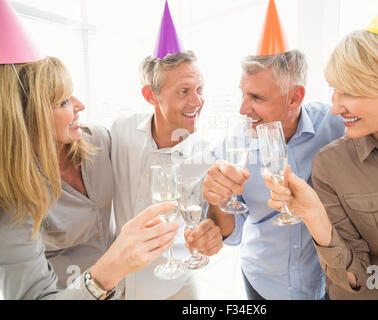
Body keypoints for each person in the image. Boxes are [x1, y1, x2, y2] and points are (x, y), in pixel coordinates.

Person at [264, 29, 378, 299]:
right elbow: (357, 280)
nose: (336, 107)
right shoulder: (332, 165)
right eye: (335, 91)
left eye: (350, 92)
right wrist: (314, 215)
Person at [0, 57, 180, 300]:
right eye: (64, 102)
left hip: (128, 289)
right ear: (30, 118)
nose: (80, 105)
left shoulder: (96, 139)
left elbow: (147, 152)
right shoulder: (13, 198)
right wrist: (107, 272)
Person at [202, 50, 345, 300]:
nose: (243, 109)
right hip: (264, 281)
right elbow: (229, 231)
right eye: (243, 94)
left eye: (256, 97)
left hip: (325, 281)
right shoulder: (231, 146)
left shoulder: (335, 126)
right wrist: (218, 200)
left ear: (295, 97)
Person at [111, 50, 224, 300]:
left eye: (200, 89)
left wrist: (210, 235)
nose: (197, 102)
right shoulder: (121, 132)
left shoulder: (204, 154)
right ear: (150, 95)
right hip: (117, 286)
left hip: (173, 287)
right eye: (184, 91)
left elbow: (211, 221)